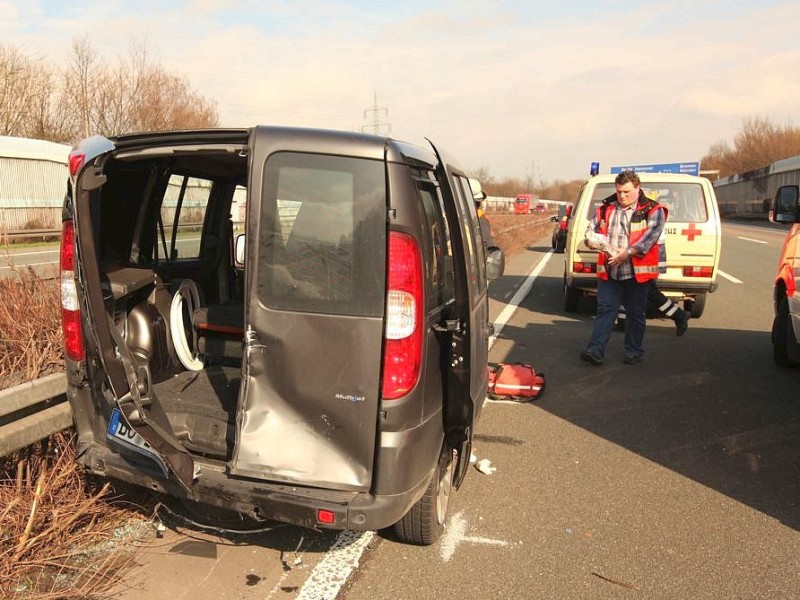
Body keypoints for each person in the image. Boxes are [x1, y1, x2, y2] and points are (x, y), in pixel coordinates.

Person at [580, 170, 666, 366]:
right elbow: (591, 231)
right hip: (610, 271)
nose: (622, 196)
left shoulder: (653, 210)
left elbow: (650, 238)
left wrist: (627, 252)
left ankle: (634, 351)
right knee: (605, 310)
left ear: (638, 188)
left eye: (627, 192)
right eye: (619, 192)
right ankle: (596, 350)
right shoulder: (606, 208)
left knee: (635, 313)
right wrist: (591, 241)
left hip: (636, 274)